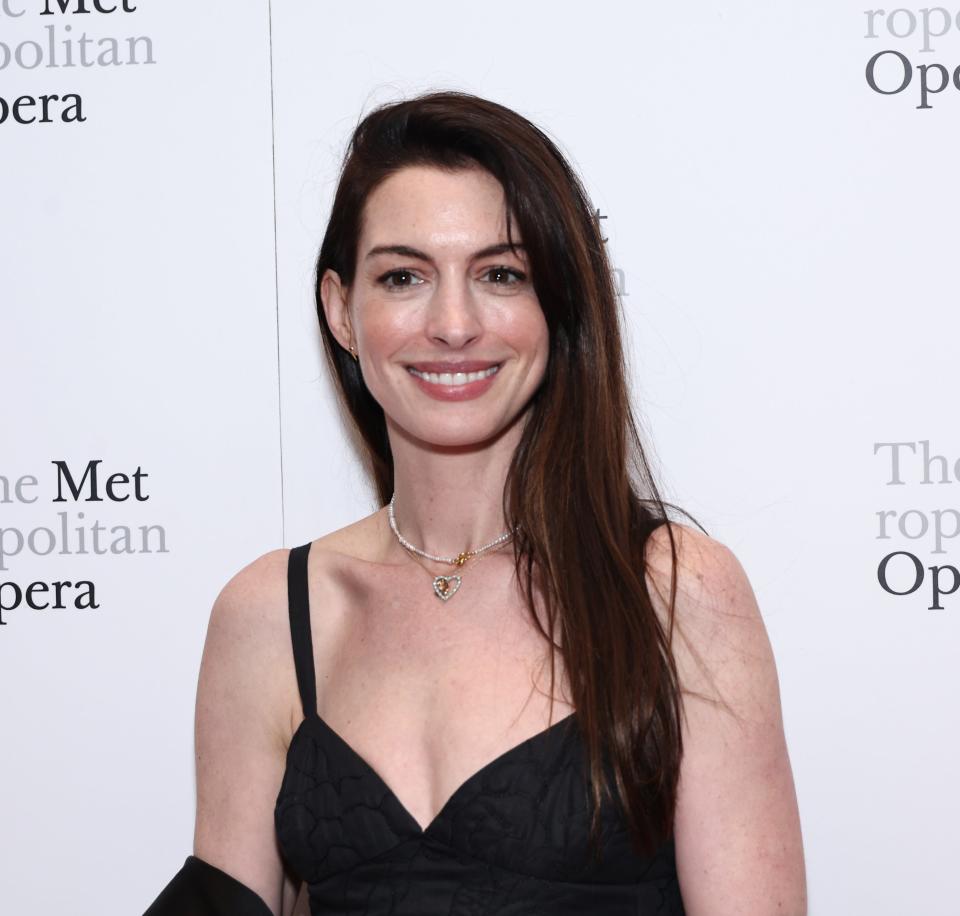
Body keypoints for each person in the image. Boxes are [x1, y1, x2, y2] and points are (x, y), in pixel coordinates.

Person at [144, 90, 806, 915]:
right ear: (341, 310)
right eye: (403, 276)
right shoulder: (270, 616)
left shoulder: (675, 593)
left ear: (556, 304)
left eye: (500, 274)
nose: (453, 324)